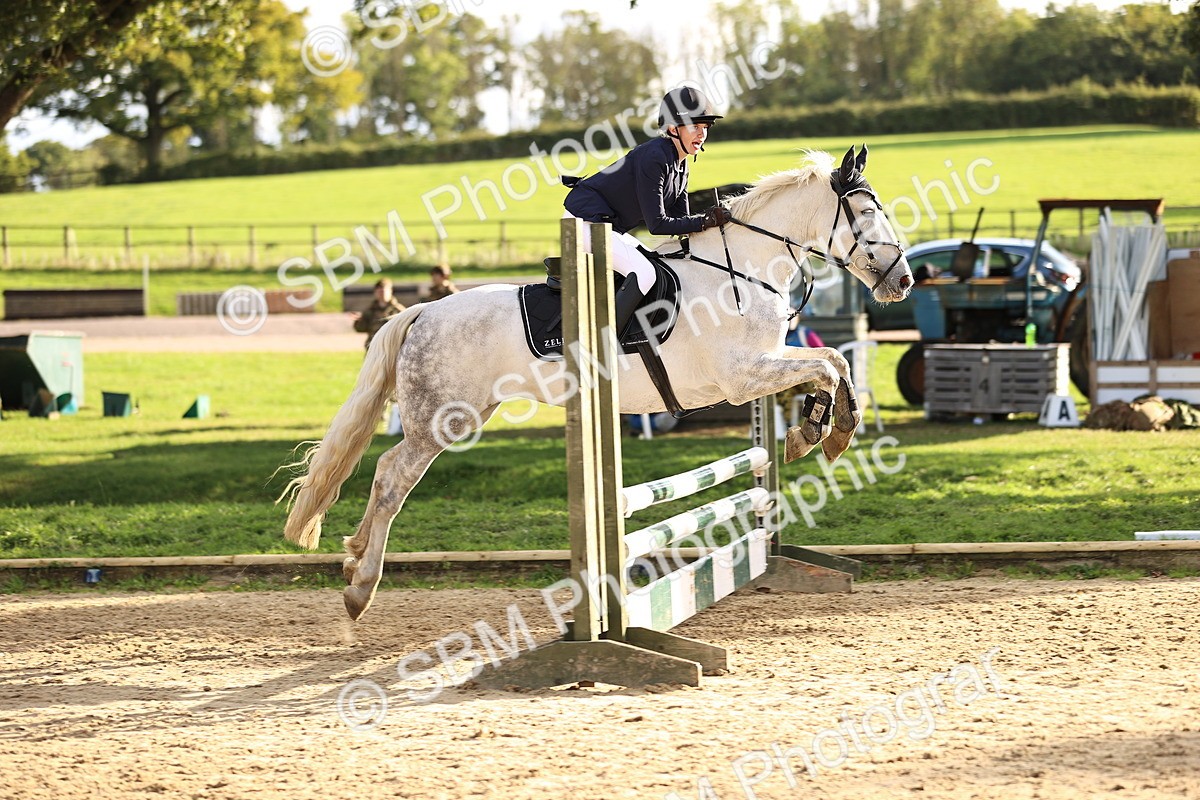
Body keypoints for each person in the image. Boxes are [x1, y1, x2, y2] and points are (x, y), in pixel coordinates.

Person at [560, 87, 732, 337]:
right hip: (583, 225)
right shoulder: (655, 157)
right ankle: (603, 338)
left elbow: (683, 223)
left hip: (605, 228)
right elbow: (658, 225)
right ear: (673, 128)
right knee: (644, 272)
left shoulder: (681, 165)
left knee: (656, 262)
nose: (702, 134)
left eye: (705, 127)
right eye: (695, 126)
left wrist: (712, 226)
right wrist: (704, 221)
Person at [351, 277, 406, 351]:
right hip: (374, 348)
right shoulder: (370, 311)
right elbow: (360, 329)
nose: (382, 294)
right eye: (379, 291)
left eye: (384, 291)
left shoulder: (399, 310)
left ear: (390, 291)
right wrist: (359, 321)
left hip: (392, 348)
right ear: (375, 292)